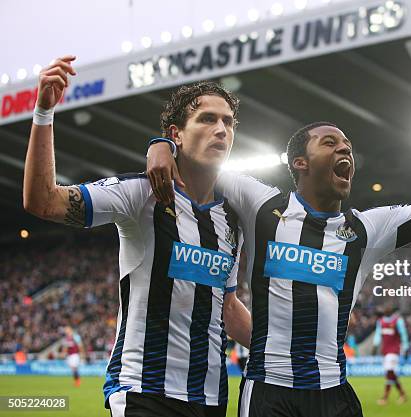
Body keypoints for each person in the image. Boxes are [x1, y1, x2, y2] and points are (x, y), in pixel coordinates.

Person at [147, 114, 411, 416]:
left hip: (335, 395)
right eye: (330, 143)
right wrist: (161, 144)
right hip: (269, 393)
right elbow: (198, 155)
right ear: (300, 163)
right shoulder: (260, 205)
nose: (344, 148)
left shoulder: (368, 230)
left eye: (346, 145)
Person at [23, 55, 251, 417]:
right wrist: (43, 113)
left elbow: (226, 305)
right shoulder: (141, 195)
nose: (220, 129)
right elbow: (43, 201)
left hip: (210, 399)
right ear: (176, 134)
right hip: (143, 392)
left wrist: (288, 351)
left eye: (228, 121)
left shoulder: (233, 218)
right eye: (207, 119)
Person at [372, 306, 408, 405]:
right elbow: (378, 335)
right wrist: (375, 346)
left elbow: (403, 334)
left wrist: (406, 348)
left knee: (389, 373)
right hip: (385, 351)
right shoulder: (381, 322)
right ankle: (402, 395)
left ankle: (385, 398)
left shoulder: (397, 321)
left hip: (394, 351)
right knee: (391, 374)